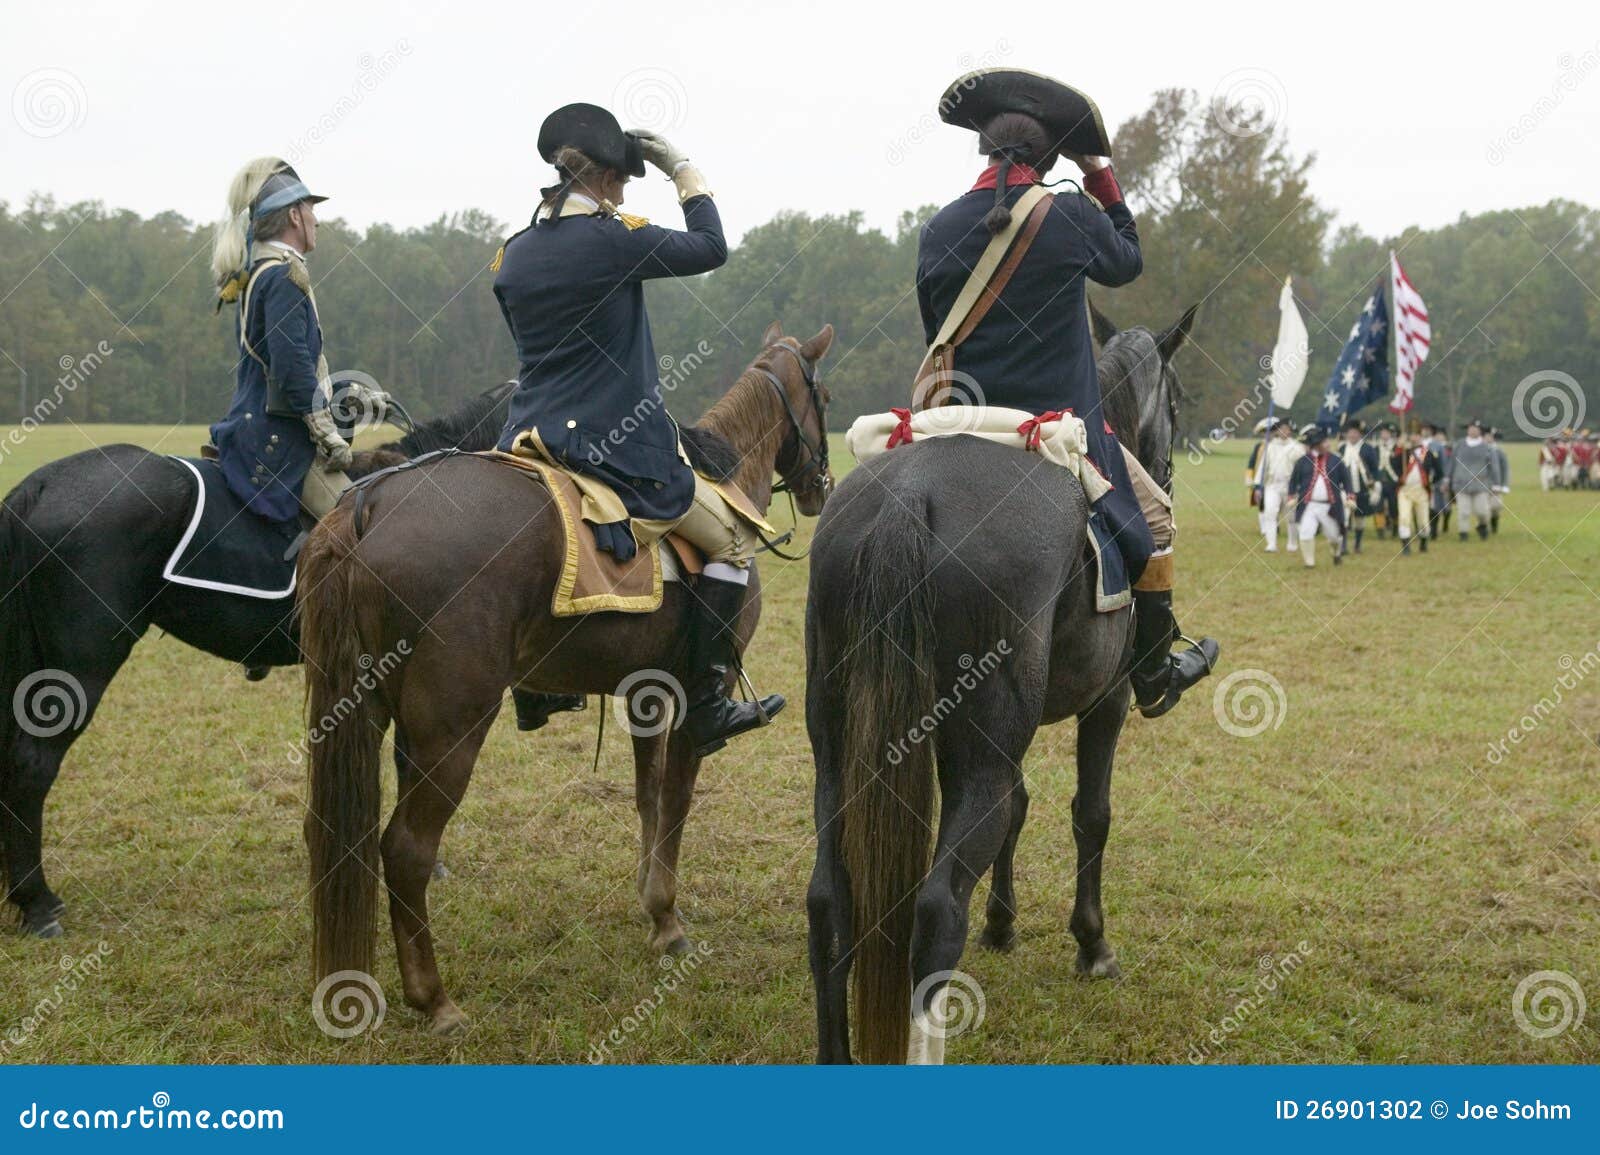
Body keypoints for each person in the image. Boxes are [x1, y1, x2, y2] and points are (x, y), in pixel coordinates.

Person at [914, 69, 1218, 718]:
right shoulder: (1071, 214)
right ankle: (1153, 670)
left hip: (960, 425)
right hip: (1057, 430)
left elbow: (933, 331)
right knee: (1157, 515)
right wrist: (1099, 172)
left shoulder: (937, 229)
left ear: (983, 151)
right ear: (1050, 159)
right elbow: (1128, 260)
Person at [492, 102, 778, 756]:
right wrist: (682, 171)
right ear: (607, 179)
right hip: (614, 444)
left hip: (529, 439)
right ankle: (707, 703)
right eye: (623, 181)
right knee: (732, 539)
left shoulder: (514, 255)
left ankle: (538, 686)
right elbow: (711, 247)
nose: (625, 192)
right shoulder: (615, 237)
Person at [208, 158, 384, 521]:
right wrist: (326, 433)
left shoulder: (263, 273)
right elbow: (291, 367)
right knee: (357, 525)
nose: (316, 220)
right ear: (293, 216)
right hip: (277, 444)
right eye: (310, 210)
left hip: (258, 429)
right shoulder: (284, 278)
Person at [1290, 425, 1351, 567]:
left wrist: (1350, 496)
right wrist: (1291, 496)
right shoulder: (1303, 461)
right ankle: (1309, 563)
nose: (1328, 444)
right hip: (1308, 505)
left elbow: (1347, 481)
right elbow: (1293, 481)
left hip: (1330, 506)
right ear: (1316, 445)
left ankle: (1336, 553)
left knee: (1334, 536)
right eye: (1324, 442)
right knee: (1305, 532)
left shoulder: (1336, 461)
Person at [1257, 417, 1304, 553]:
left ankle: (1292, 543)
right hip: (1272, 485)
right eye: (1281, 429)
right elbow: (1263, 468)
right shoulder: (1270, 446)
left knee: (1291, 516)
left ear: (1290, 431)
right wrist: (1258, 486)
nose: (1283, 431)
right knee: (1270, 512)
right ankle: (1271, 544)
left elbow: (1301, 468)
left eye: (1286, 429)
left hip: (1291, 486)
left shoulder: (1297, 447)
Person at [1392, 428, 1442, 554]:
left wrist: (1431, 481)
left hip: (1421, 491)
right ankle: (1406, 546)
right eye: (1412, 435)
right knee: (1404, 517)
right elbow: (1393, 464)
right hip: (1405, 491)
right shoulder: (1404, 452)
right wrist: (1399, 447)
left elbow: (1439, 471)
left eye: (1416, 435)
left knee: (1423, 521)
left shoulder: (1428, 453)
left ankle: (1423, 543)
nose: (1414, 438)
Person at [1451, 417, 1501, 540]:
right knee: (1463, 512)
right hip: (1461, 484)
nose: (1473, 430)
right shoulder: (1459, 445)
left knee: (1482, 511)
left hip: (1481, 484)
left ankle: (1483, 525)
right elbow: (1451, 463)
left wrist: (1496, 484)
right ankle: (1463, 534)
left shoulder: (1487, 447)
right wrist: (1448, 480)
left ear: (1480, 431)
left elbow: (1494, 466)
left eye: (1476, 428)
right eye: (1471, 428)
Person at [1337, 418, 1379, 554]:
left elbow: (1375, 470)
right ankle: (1343, 545)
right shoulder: (1342, 449)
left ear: (1360, 434)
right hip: (1345, 490)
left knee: (1360, 520)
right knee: (1344, 518)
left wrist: (1375, 485)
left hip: (1362, 490)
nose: (1352, 435)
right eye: (1350, 432)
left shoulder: (1368, 449)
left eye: (1355, 432)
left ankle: (1357, 544)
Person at [1488, 427, 1510, 533]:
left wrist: (1504, 485)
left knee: (1496, 507)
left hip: (1496, 485)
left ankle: (1494, 523)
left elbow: (1505, 469)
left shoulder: (1499, 452)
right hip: (1482, 484)